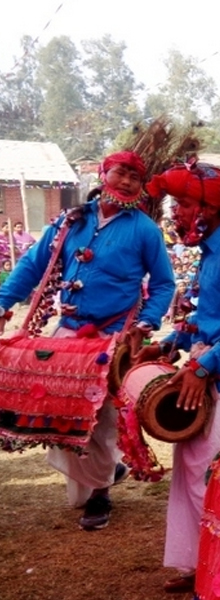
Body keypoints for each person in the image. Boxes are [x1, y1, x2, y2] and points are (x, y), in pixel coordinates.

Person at [0, 151, 176, 529]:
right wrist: (3, 303)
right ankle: (103, 475)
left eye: (135, 176)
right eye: (121, 172)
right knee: (59, 413)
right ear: (103, 173)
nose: (127, 181)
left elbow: (163, 284)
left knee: (102, 419)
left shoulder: (145, 229)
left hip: (114, 339)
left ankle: (101, 495)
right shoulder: (70, 221)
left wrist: (144, 324)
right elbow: (32, 266)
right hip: (67, 332)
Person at [140, 162, 220, 594]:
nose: (176, 212)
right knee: (193, 477)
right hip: (207, 374)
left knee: (217, 481)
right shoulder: (214, 248)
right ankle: (202, 565)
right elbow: (212, 317)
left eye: (185, 203)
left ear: (211, 207)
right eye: (175, 203)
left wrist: (202, 366)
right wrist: (170, 342)